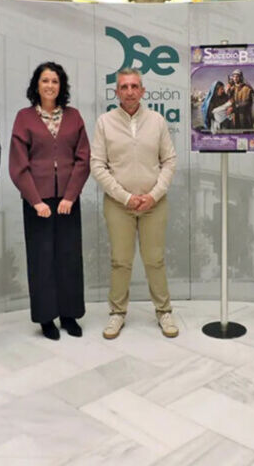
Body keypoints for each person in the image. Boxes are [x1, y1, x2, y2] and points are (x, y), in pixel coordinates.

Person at [90, 67, 178, 339]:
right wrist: (126, 197)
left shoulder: (157, 121)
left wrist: (153, 194)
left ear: (142, 91)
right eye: (124, 87)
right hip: (119, 205)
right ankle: (117, 314)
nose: (129, 91)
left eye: (134, 86)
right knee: (120, 261)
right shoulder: (105, 122)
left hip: (155, 203)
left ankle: (164, 312)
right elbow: (97, 165)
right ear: (116, 91)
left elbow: (170, 161)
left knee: (155, 260)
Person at [9, 62, 90, 340]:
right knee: (41, 259)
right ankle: (46, 318)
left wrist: (70, 196)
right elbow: (18, 164)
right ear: (37, 85)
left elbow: (83, 158)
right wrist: (35, 200)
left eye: (55, 81)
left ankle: (69, 315)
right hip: (37, 203)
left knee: (68, 258)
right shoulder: (24, 118)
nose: (50, 86)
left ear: (61, 86)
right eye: (45, 81)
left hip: (68, 200)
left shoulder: (74, 116)